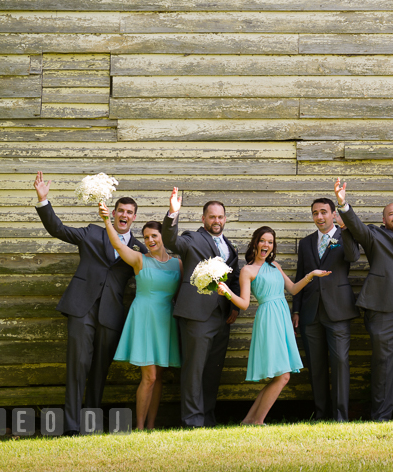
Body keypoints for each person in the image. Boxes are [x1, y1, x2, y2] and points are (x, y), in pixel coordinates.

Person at [33, 172, 146, 435]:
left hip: (111, 315)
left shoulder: (139, 249)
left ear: (134, 217)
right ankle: (71, 426)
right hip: (81, 308)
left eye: (130, 212)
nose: (125, 215)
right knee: (77, 366)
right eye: (121, 210)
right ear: (113, 211)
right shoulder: (91, 233)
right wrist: (43, 201)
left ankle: (91, 426)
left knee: (98, 372)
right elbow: (59, 230)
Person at [217, 226, 330, 425]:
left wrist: (311, 275)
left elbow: (294, 289)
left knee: (281, 375)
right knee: (283, 376)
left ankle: (249, 421)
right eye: (263, 241)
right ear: (255, 243)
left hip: (282, 318)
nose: (266, 245)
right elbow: (243, 303)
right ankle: (257, 421)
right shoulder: (248, 270)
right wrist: (227, 291)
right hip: (268, 319)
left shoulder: (275, 266)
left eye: (270, 242)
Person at [334, 179, 393, 421]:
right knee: (383, 366)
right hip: (384, 311)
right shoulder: (374, 236)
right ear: (384, 220)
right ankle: (381, 417)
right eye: (391, 214)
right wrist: (342, 203)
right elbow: (357, 228)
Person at [163, 187, 241, 428]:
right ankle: (192, 420)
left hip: (222, 317)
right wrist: (172, 213)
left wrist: (234, 306)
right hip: (196, 314)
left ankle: (207, 417)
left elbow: (234, 276)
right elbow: (170, 241)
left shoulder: (230, 247)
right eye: (212, 217)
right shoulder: (192, 239)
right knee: (194, 369)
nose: (216, 221)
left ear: (225, 219)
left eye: (220, 217)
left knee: (212, 371)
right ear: (203, 218)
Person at [98, 204, 181, 429]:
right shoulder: (139, 259)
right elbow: (116, 242)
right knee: (150, 377)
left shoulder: (178, 263)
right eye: (146, 237)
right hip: (144, 318)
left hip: (166, 321)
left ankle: (151, 426)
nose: (150, 240)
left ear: (163, 237)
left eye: (154, 236)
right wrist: (107, 219)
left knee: (160, 377)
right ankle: (139, 427)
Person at [292, 199, 360, 422]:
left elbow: (353, 257)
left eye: (323, 212)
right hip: (311, 314)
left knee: (340, 363)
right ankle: (321, 415)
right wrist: (297, 310)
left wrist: (346, 229)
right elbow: (300, 277)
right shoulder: (305, 243)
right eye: (315, 213)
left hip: (338, 311)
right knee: (316, 366)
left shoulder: (343, 237)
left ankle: (340, 416)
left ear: (333, 214)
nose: (319, 217)